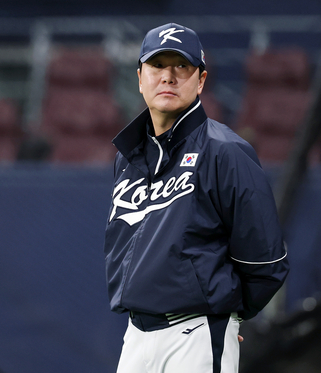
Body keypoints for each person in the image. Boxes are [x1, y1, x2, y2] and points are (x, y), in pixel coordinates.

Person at [103, 23, 290, 373]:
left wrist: (226, 313)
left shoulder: (226, 151)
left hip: (195, 335)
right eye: (158, 66)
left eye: (182, 67)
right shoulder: (129, 157)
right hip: (136, 335)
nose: (169, 77)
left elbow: (266, 264)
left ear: (201, 80)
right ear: (140, 77)